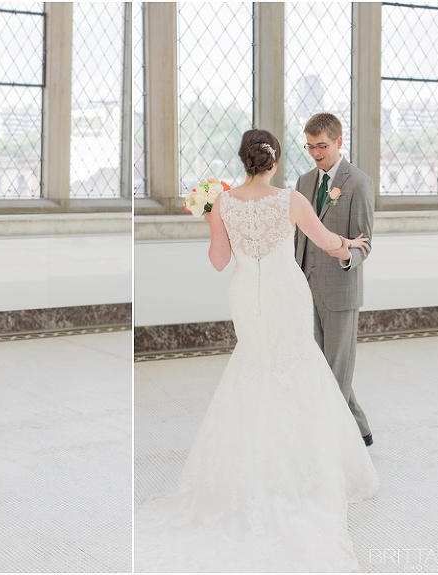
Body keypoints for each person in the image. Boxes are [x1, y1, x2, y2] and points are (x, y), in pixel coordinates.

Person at [134, 129, 378, 572]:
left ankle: (250, 471)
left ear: (243, 160)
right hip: (286, 292)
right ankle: (306, 472)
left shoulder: (222, 203)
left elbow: (218, 261)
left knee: (254, 367)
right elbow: (326, 242)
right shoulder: (290, 199)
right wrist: (353, 245)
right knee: (296, 366)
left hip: (246, 293)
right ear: (275, 160)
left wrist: (211, 219)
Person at [295, 112, 374, 446]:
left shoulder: (358, 182)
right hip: (305, 288)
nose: (316, 153)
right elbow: (299, 237)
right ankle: (361, 431)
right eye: (310, 146)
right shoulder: (302, 183)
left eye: (322, 146)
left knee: (337, 369)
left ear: (339, 142)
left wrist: (345, 254)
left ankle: (332, 445)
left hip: (341, 290)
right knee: (323, 366)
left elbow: (364, 243)